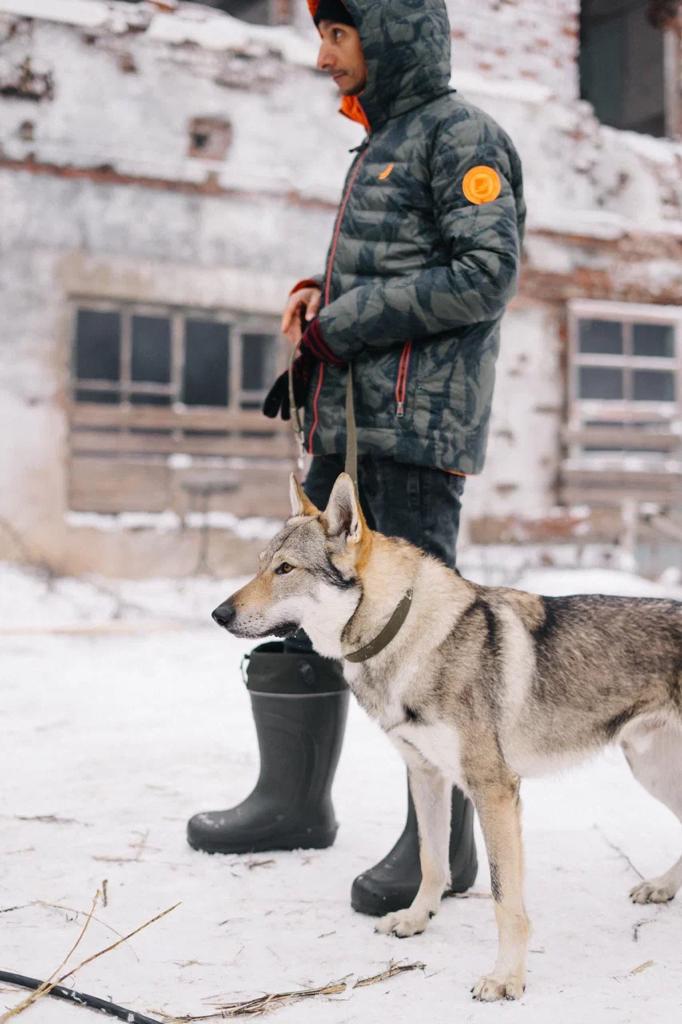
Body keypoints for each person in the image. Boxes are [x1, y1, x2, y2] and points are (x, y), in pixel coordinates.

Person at [188, 0, 526, 918]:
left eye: (338, 35)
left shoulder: (463, 138)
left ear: (388, 36)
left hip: (414, 434)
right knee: (303, 593)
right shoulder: (383, 143)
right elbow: (396, 268)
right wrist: (319, 295)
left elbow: (482, 275)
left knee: (425, 643)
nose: (324, 54)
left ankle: (443, 848)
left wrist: (346, 319)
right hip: (346, 428)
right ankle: (292, 801)